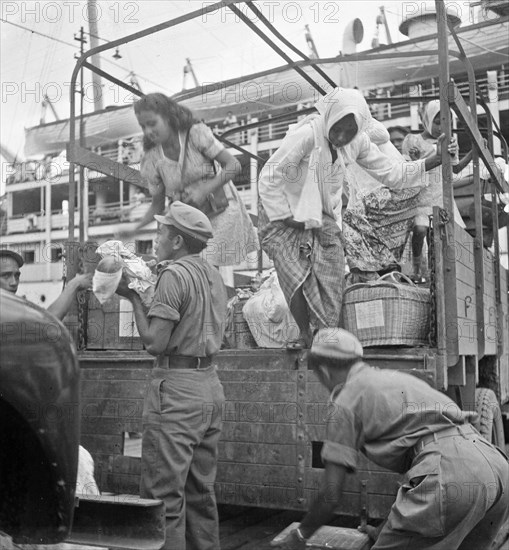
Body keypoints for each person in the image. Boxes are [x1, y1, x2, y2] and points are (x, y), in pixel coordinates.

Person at [272, 328, 509, 550]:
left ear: (323, 371)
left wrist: (300, 535)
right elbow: (426, 471)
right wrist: (387, 528)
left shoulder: (345, 400)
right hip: (495, 467)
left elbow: (332, 493)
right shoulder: (395, 379)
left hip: (453, 474)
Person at [258, 87, 457, 348]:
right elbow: (269, 177)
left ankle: (325, 338)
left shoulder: (359, 142)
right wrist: (287, 217)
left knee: (330, 276)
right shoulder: (307, 135)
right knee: (296, 277)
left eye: (349, 130)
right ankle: (305, 334)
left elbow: (394, 174)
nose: (341, 136)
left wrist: (435, 160)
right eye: (338, 127)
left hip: (321, 215)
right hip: (282, 212)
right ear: (330, 116)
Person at [115, 201, 227, 550]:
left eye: (162, 231)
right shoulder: (212, 274)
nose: (157, 236)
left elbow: (154, 342)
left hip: (177, 392)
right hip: (209, 386)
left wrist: (133, 296)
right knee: (199, 493)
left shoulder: (173, 275)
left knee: (163, 496)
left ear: (177, 241)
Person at [121, 93, 257, 281]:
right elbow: (157, 205)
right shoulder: (152, 158)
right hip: (187, 220)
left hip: (218, 211)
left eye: (152, 123)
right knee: (190, 273)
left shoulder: (196, 134)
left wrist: (204, 189)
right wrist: (136, 228)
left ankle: (214, 305)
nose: (148, 131)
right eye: (143, 126)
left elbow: (233, 165)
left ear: (168, 117)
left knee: (207, 271)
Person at [343, 120, 423, 281]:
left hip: (391, 196)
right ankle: (381, 276)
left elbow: (382, 134)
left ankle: (388, 274)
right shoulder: (344, 151)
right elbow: (351, 190)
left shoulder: (365, 131)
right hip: (375, 203)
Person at [402, 100, 472, 282]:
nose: (441, 126)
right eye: (437, 121)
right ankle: (417, 267)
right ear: (427, 119)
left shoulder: (450, 141)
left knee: (440, 239)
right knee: (420, 228)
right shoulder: (413, 140)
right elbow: (406, 169)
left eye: (445, 121)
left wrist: (472, 154)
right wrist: (416, 159)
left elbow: (455, 170)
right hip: (421, 196)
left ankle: (437, 276)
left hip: (441, 196)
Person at [0, 248, 92, 320]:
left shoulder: (13, 305)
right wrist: (73, 285)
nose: (14, 282)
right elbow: (46, 324)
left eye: (16, 276)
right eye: (6, 276)